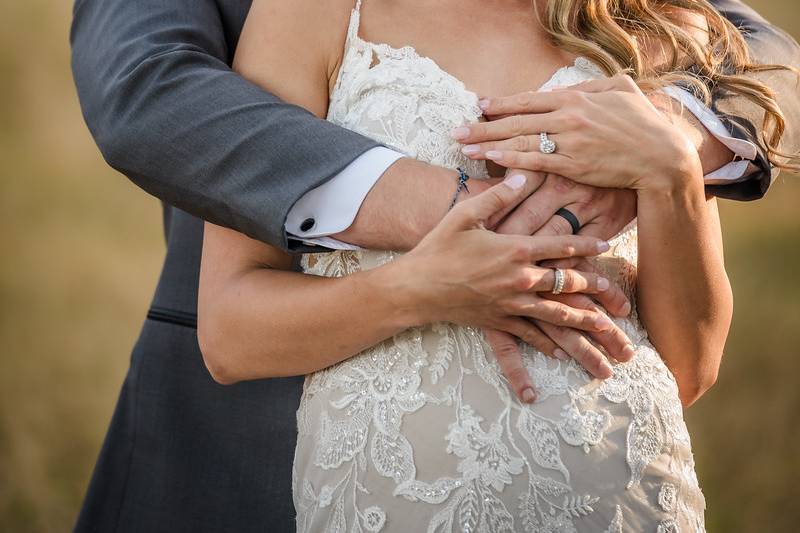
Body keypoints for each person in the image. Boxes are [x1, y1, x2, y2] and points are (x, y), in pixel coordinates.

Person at [69, 0, 799, 531]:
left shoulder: (654, 25)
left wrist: (673, 160)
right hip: (387, 491)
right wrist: (445, 260)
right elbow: (144, 86)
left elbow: (691, 364)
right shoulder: (310, 14)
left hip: (618, 492)